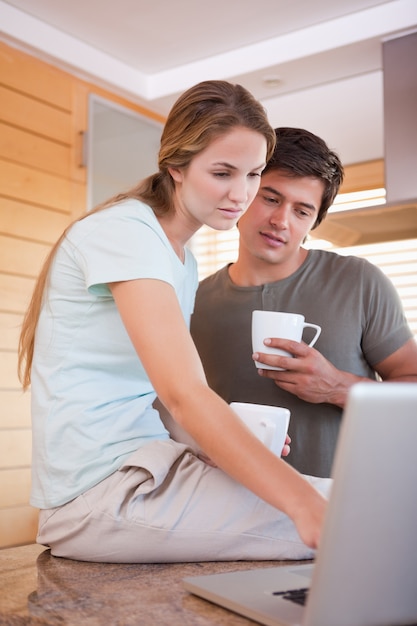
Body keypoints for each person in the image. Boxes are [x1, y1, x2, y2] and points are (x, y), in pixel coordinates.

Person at [18, 82, 331, 564]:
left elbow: (159, 398)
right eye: (222, 172)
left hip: (147, 466)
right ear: (176, 166)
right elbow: (184, 394)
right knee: (359, 518)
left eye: (252, 174)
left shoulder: (178, 258)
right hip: (99, 493)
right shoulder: (126, 232)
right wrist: (302, 504)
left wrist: (236, 441)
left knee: (364, 499)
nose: (241, 194)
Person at [191, 127, 417, 478]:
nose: (281, 221)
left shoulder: (358, 282)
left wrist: (338, 387)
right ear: (244, 192)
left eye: (302, 211)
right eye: (270, 198)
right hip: (228, 508)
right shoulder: (194, 301)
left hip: (342, 505)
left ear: (314, 221)